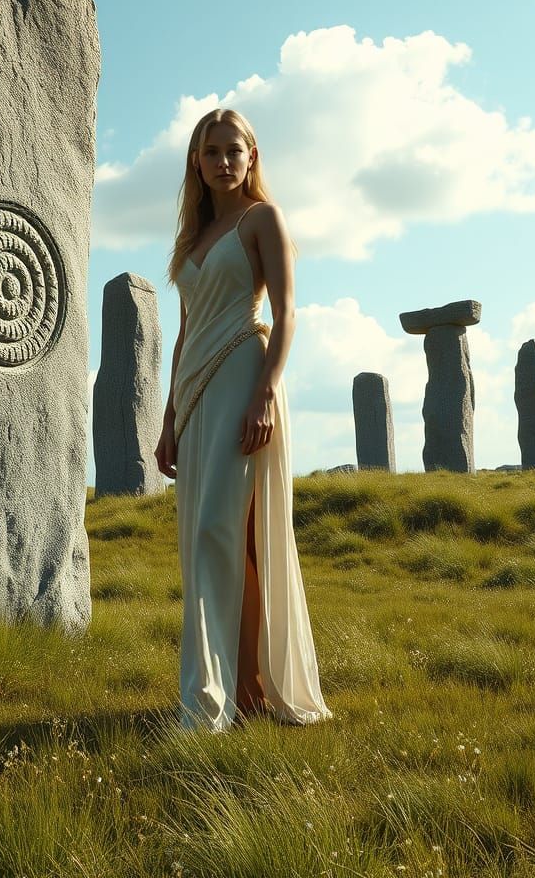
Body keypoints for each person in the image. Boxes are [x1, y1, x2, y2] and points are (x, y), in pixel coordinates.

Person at [155, 107, 332, 731]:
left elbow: (286, 315)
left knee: (221, 534)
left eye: (235, 149)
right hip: (196, 390)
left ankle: (206, 704)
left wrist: (263, 395)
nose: (224, 160)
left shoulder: (264, 219)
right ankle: (246, 686)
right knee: (217, 537)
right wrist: (169, 415)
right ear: (196, 163)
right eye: (212, 151)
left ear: (251, 156)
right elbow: (182, 333)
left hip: (243, 378)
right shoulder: (192, 238)